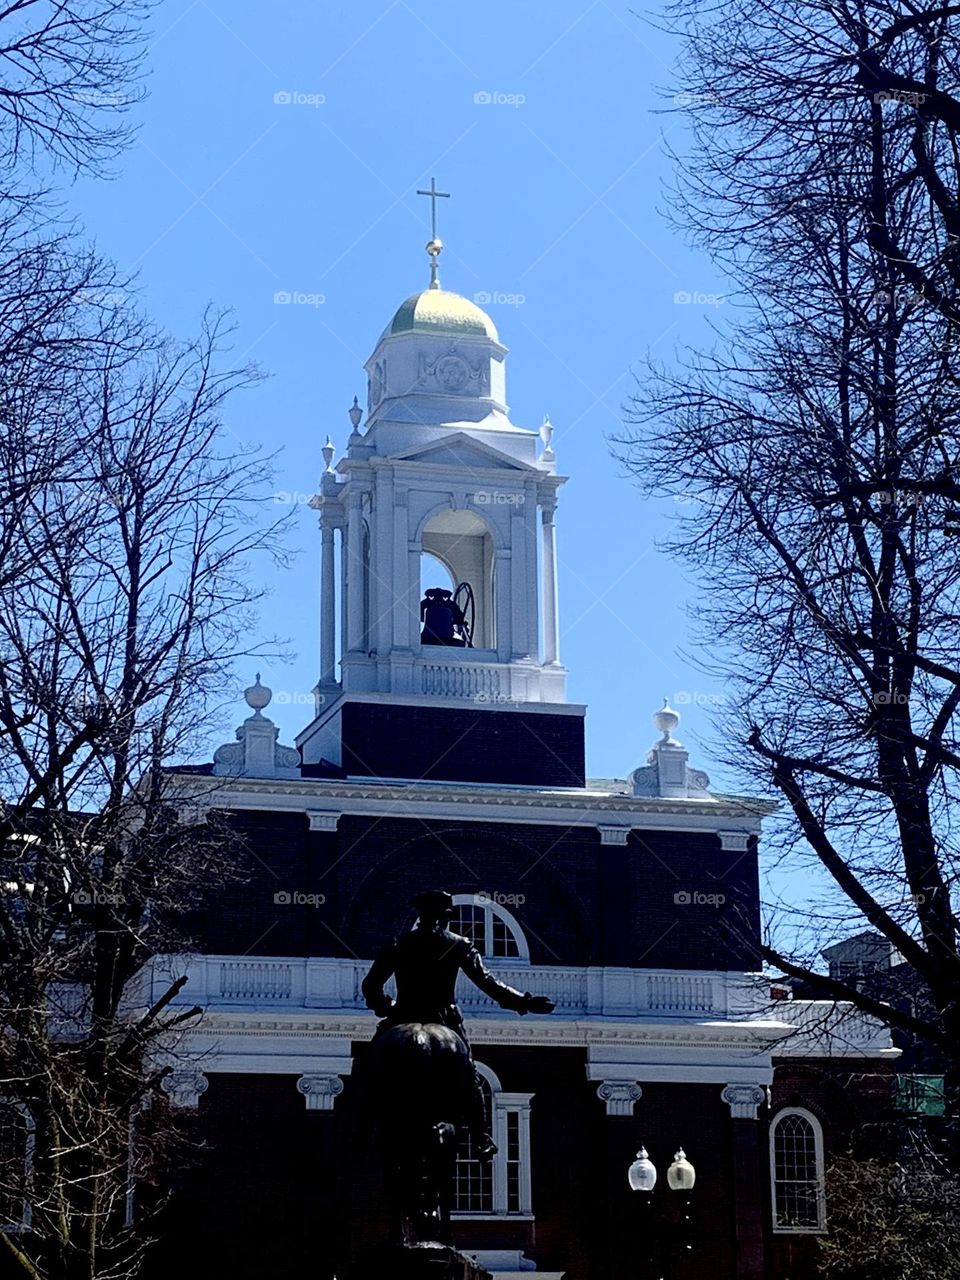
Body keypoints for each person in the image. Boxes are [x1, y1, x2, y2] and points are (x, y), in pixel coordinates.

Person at [362, 889, 555, 1159]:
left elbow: (370, 985)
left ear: (420, 914)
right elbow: (488, 983)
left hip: (403, 1014)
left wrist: (386, 1006)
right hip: (443, 1017)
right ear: (446, 916)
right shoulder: (458, 944)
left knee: (369, 1068)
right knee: (470, 1077)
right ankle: (482, 1137)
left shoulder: (399, 943)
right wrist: (525, 1002)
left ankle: (360, 1132)